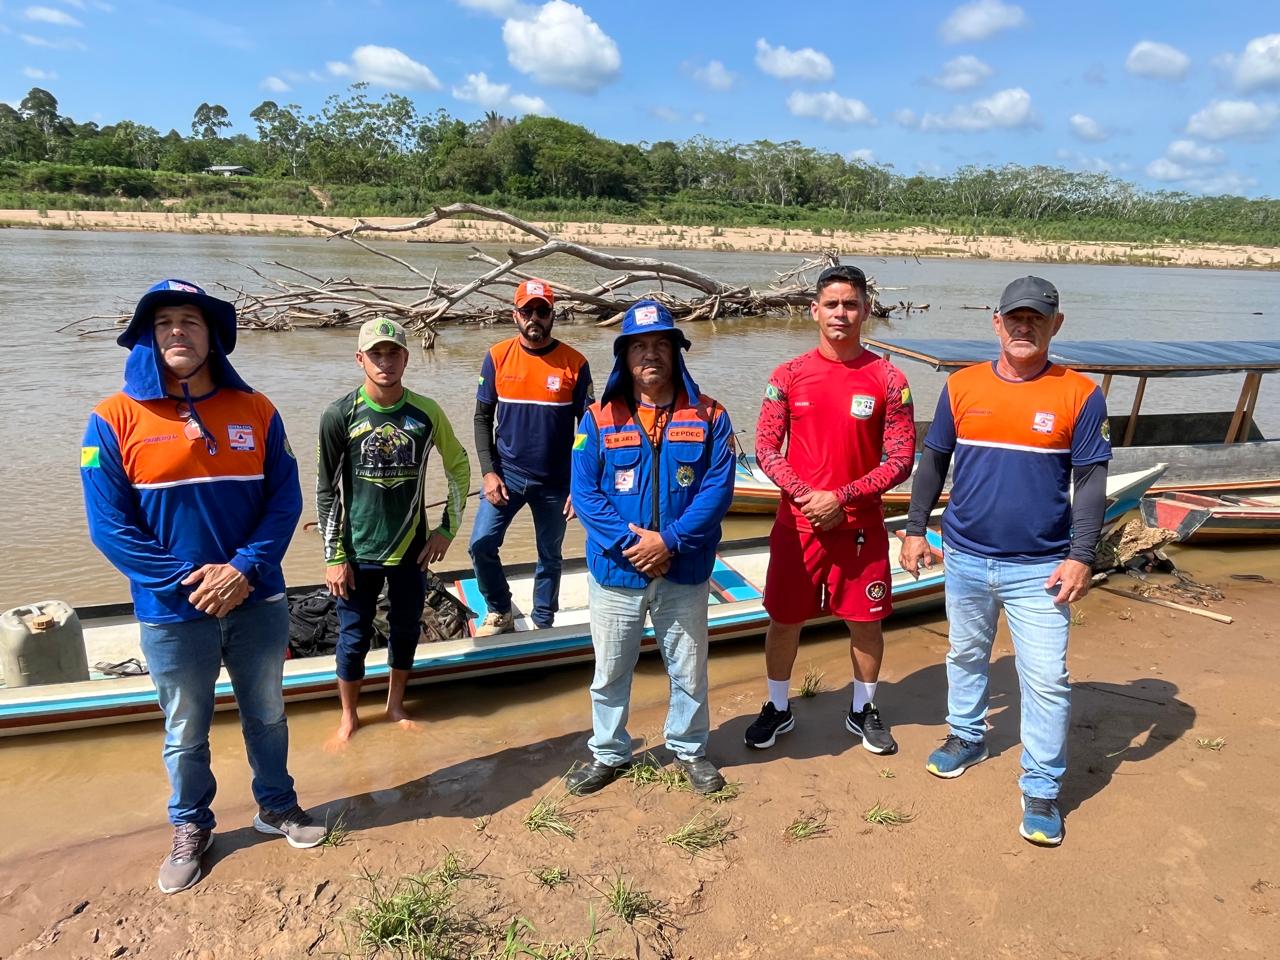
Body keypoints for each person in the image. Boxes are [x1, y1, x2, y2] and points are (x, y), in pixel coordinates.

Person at [81, 279, 325, 895]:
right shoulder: (111, 419)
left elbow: (284, 499)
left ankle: (276, 806)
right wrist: (189, 581)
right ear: (147, 337)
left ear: (213, 335)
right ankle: (192, 825)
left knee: (267, 713)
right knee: (184, 727)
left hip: (258, 598)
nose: (178, 332)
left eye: (190, 320)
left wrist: (241, 568)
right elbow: (109, 527)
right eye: (164, 323)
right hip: (171, 610)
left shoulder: (258, 410)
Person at [900, 275, 1111, 847]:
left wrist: (1081, 556)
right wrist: (915, 530)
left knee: (1046, 680)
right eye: (1014, 317)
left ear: (1055, 326)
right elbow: (934, 459)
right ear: (996, 323)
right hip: (965, 556)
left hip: (1040, 568)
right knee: (965, 652)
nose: (1024, 327)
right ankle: (967, 736)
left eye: (1037, 319)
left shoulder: (1080, 394)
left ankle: (1042, 786)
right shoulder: (962, 386)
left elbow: (1091, 480)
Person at [744, 264, 916, 755]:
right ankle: (778, 707)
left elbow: (901, 459)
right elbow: (765, 449)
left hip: (860, 528)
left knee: (866, 621)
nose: (842, 312)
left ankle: (863, 709)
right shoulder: (787, 375)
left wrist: (840, 499)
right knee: (784, 619)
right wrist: (810, 498)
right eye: (832, 304)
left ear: (866, 310)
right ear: (814, 310)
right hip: (796, 526)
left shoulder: (888, 379)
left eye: (851, 304)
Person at [567, 300, 736, 796]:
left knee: (688, 667)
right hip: (617, 571)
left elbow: (717, 489)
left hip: (684, 568)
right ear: (623, 356)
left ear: (676, 352)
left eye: (661, 344)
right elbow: (585, 492)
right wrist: (631, 543)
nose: (650, 355)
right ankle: (608, 752)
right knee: (610, 671)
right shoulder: (596, 419)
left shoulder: (711, 415)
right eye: (639, 346)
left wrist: (670, 540)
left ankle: (688, 749)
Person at [317, 317, 471, 743]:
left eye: (393, 353)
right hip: (356, 550)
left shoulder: (426, 412)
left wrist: (446, 530)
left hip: (411, 549)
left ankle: (394, 704)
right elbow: (326, 489)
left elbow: (458, 467)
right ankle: (348, 716)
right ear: (360, 358)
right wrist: (334, 555)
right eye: (376, 353)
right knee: (353, 637)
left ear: (406, 357)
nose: (385, 361)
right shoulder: (339, 414)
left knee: (405, 628)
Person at [470, 279, 592, 634]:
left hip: (556, 481)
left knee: (550, 556)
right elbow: (482, 418)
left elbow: (588, 432)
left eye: (542, 311)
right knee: (481, 544)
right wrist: (488, 472)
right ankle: (499, 608)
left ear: (553, 315)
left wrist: (579, 484)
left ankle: (542, 622)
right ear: (515, 316)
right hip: (506, 476)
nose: (534, 318)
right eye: (527, 311)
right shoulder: (496, 357)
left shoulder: (575, 363)